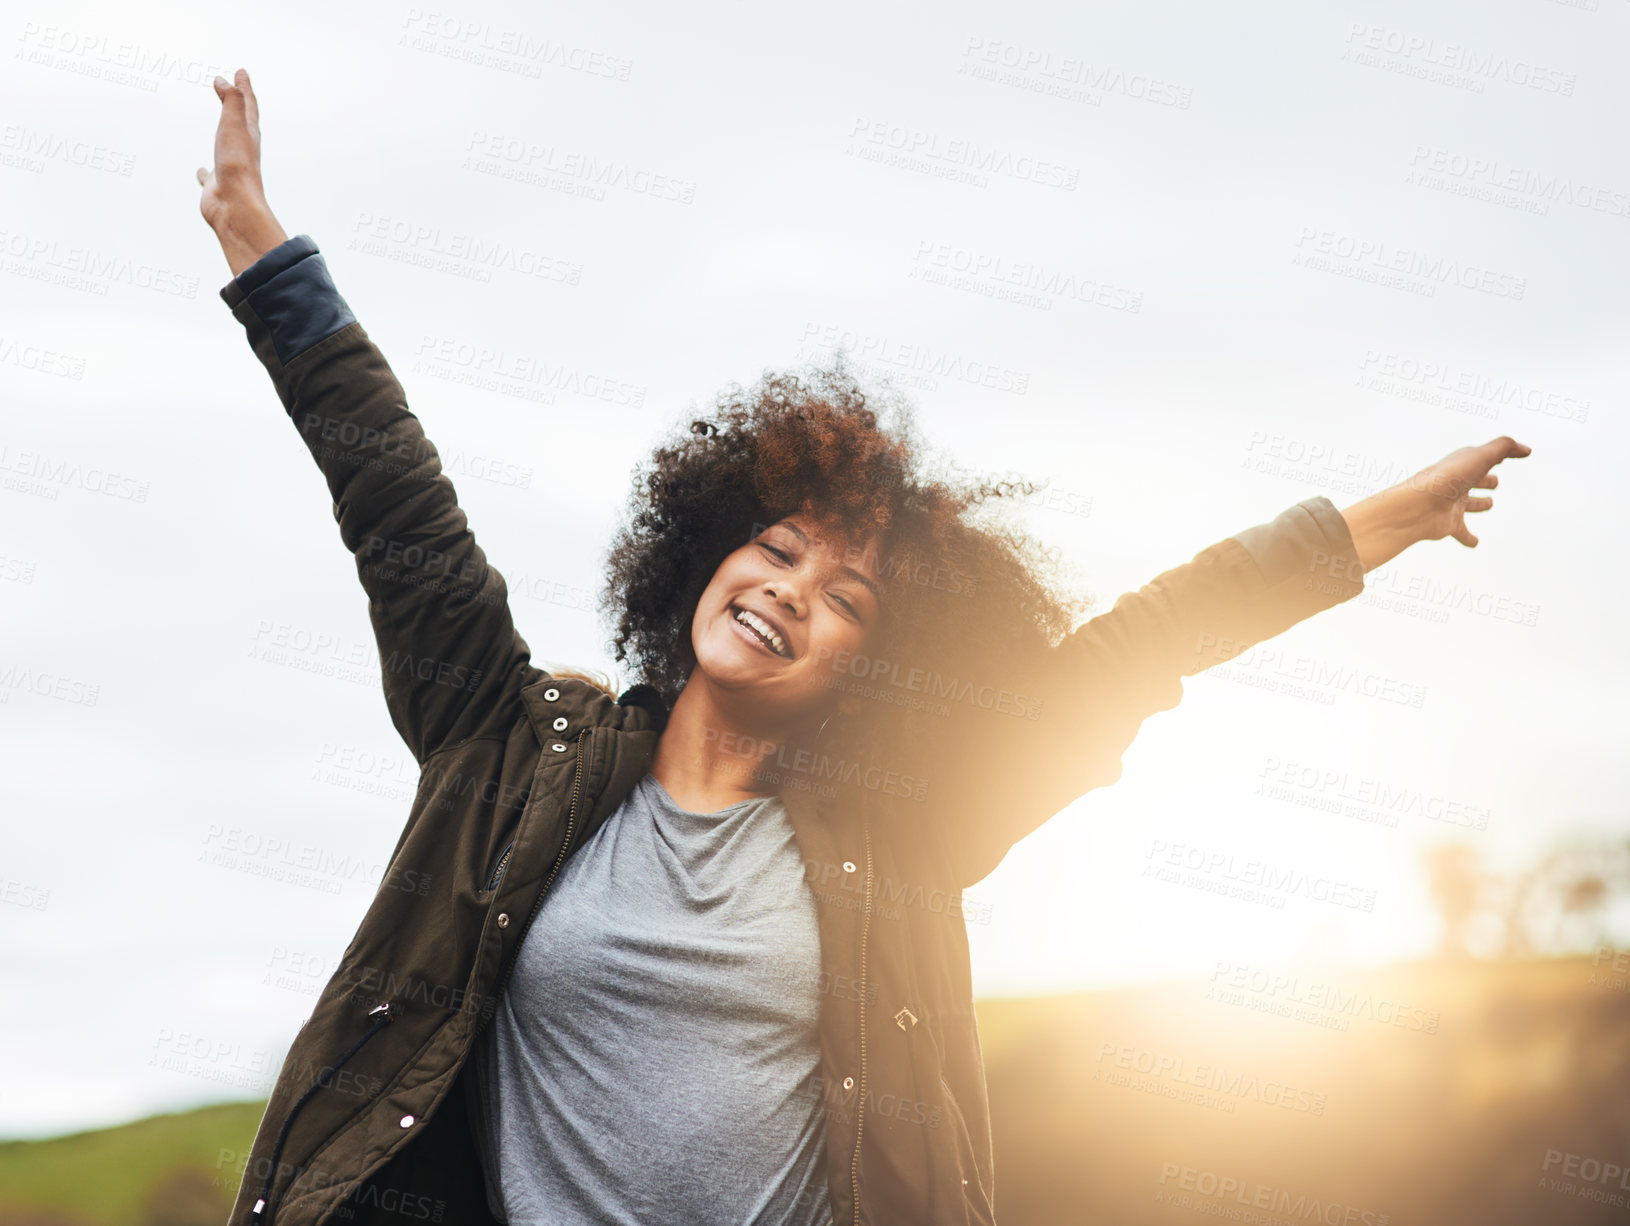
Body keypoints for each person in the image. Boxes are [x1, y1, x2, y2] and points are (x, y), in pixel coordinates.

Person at [197, 68, 1531, 1226]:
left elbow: (1127, 652)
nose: (786, 591)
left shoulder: (903, 832)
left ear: (868, 665)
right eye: (774, 549)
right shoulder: (515, 754)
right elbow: (400, 516)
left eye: (844, 596)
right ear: (702, 555)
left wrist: (1357, 531)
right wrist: (273, 268)